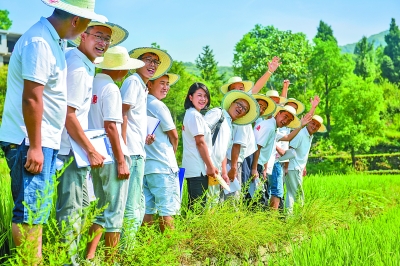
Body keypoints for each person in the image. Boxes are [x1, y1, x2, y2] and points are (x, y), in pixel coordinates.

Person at [0, 0, 104, 262]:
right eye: (87, 24)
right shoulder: (40, 43)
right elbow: (32, 98)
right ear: (75, 20)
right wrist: (35, 146)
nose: (85, 30)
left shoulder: (54, 41)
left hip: (41, 140)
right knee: (29, 214)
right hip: (30, 140)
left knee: (37, 211)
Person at [55, 21, 127, 264]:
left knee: (83, 212)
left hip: (77, 155)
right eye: (98, 36)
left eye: (107, 39)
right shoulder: (77, 66)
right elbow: (69, 114)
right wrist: (91, 150)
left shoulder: (87, 68)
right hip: (69, 152)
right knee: (71, 215)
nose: (103, 43)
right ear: (82, 36)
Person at [85, 46, 144, 262]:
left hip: (95, 153)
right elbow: (111, 126)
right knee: (115, 214)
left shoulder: (92, 84)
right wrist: (121, 160)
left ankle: (90, 256)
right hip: (111, 153)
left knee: (100, 209)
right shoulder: (111, 89)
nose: (127, 73)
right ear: (119, 69)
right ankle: (112, 260)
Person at [120, 47, 172, 237]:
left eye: (155, 62)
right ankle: (127, 252)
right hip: (130, 152)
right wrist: (123, 148)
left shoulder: (141, 85)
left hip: (138, 149)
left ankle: (130, 248)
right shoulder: (133, 81)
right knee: (132, 205)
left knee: (138, 203)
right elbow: (122, 113)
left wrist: (144, 136)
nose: (152, 65)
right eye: (148, 60)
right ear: (138, 62)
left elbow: (131, 118)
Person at [204, 90, 259, 203]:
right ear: (231, 103)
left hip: (216, 171)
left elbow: (223, 151)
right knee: (203, 203)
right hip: (205, 167)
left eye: (244, 109)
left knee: (213, 203)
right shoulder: (218, 113)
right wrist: (209, 163)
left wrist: (224, 172)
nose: (240, 108)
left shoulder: (229, 125)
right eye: (239, 104)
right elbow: (201, 135)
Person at [142, 73, 181, 233]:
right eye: (162, 83)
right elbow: (174, 135)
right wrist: (171, 156)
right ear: (150, 84)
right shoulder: (157, 105)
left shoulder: (141, 102)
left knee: (147, 209)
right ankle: (170, 251)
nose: (166, 87)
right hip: (163, 166)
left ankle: (148, 245)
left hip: (146, 166)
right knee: (167, 209)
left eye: (167, 84)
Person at [267, 96, 319, 210]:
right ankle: (290, 217)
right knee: (284, 192)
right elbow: (289, 146)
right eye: (287, 112)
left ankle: (286, 216)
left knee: (281, 192)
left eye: (293, 112)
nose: (314, 126)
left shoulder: (290, 129)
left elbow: (288, 137)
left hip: (286, 164)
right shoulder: (272, 125)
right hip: (280, 163)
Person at [278, 115, 327, 213]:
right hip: (293, 167)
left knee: (291, 193)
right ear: (308, 122)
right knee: (299, 193)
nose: (314, 126)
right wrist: (286, 167)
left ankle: (289, 216)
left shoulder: (310, 135)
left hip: (297, 167)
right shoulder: (300, 133)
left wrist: (304, 167)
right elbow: (290, 150)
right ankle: (302, 216)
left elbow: (303, 152)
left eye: (317, 126)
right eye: (313, 123)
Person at [182, 83, 218, 209]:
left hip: (197, 168)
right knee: (197, 210)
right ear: (190, 97)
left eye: (205, 96)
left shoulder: (194, 114)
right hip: (198, 169)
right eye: (199, 95)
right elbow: (200, 142)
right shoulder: (194, 115)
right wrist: (210, 166)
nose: (203, 99)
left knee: (195, 208)